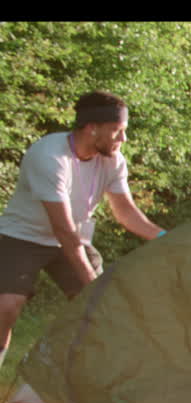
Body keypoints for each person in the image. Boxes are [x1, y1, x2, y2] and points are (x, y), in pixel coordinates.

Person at [0, 90, 166, 375]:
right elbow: (63, 230)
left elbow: (126, 212)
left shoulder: (114, 160)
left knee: (100, 310)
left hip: (74, 237)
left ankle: (82, 385)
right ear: (91, 129)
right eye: (117, 131)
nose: (123, 139)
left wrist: (166, 239)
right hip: (23, 236)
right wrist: (91, 282)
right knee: (7, 306)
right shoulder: (49, 156)